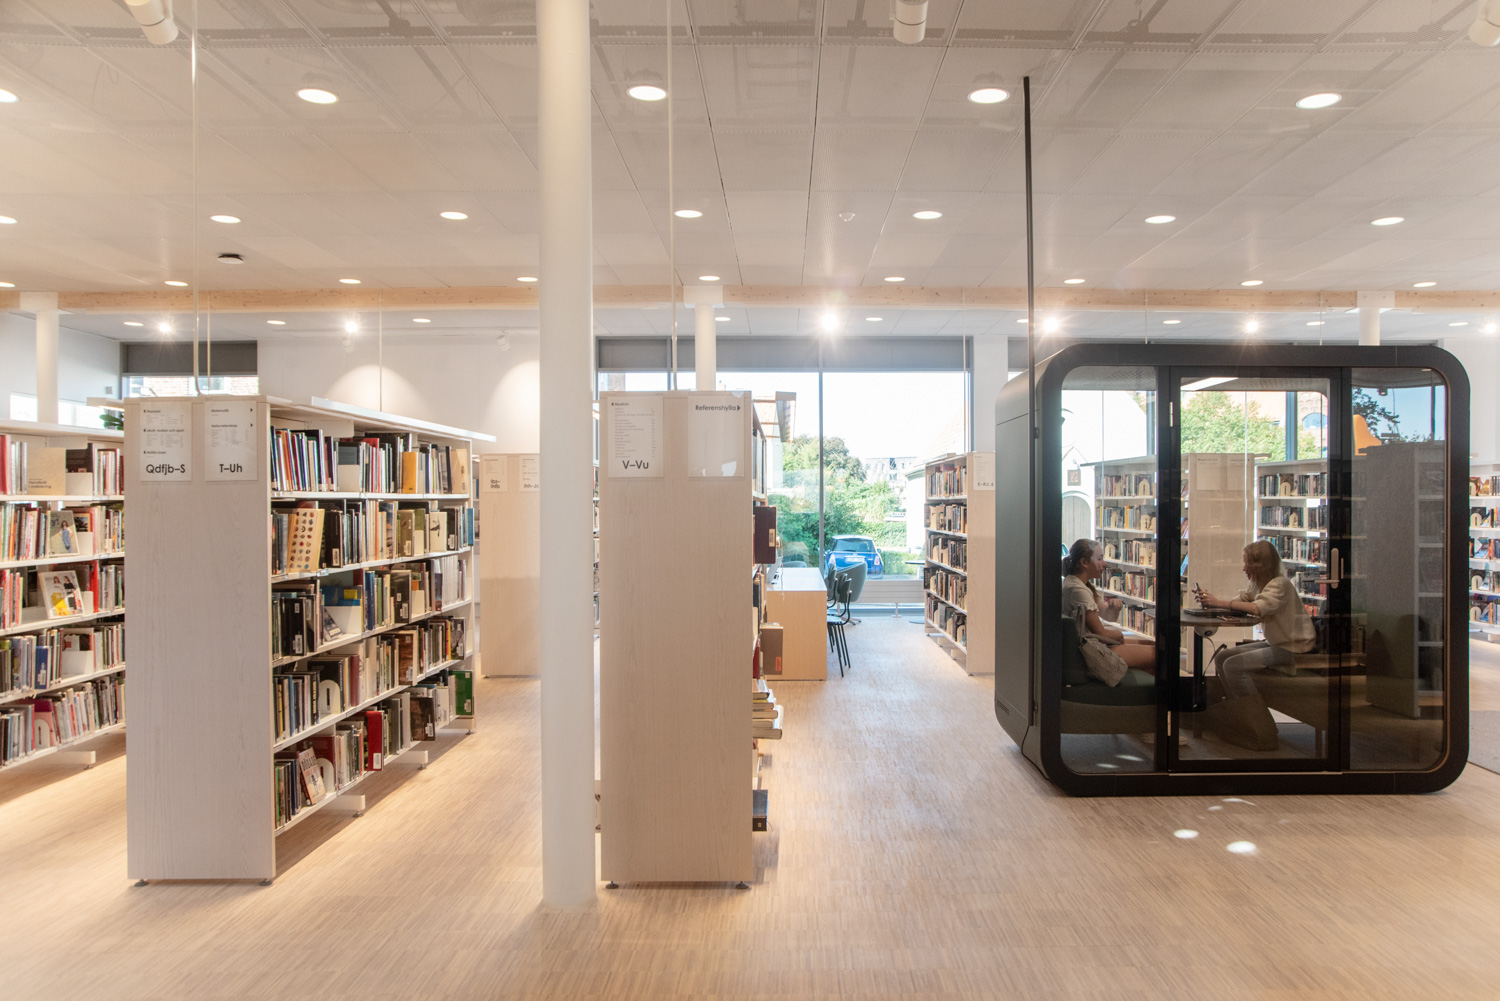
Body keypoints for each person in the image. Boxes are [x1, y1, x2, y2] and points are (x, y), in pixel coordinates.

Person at [1193, 540, 1315, 750]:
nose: (1244, 568)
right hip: (1278, 643)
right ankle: (1241, 712)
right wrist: (1213, 602)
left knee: (1233, 666)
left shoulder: (1280, 584)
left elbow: (1258, 608)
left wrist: (1218, 603)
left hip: (1294, 648)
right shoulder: (1261, 583)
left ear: (1259, 565)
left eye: (1247, 563)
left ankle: (1257, 719)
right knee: (1222, 657)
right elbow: (1243, 600)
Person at [1061, 538, 1155, 671]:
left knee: (1154, 646)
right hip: (1092, 654)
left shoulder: (1077, 584)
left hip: (1091, 648)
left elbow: (1108, 616)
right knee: (1159, 654)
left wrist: (1113, 609)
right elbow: (1102, 635)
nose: (1104, 563)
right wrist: (1119, 635)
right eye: (1099, 559)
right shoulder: (1078, 590)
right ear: (1084, 562)